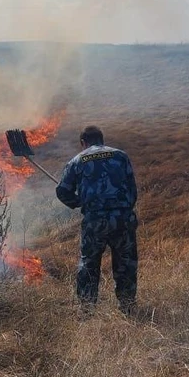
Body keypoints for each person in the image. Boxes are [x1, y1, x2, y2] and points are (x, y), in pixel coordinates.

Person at [55, 125, 138, 314]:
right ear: (102, 139)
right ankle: (128, 306)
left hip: (95, 221)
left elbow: (62, 191)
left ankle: (87, 308)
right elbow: (132, 189)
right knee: (125, 262)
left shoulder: (78, 160)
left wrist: (78, 202)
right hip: (122, 218)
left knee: (89, 264)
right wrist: (125, 209)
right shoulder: (120, 156)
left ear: (83, 142)